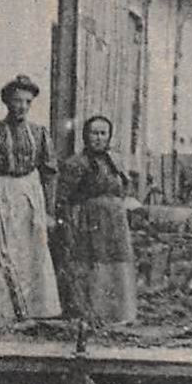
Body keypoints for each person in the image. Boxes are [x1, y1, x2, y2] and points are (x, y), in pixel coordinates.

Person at [0, 76, 61, 319]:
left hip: (30, 193)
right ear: (7, 101)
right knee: (5, 248)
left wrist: (49, 211)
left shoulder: (39, 133)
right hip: (2, 194)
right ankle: (8, 308)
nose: (21, 106)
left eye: (27, 102)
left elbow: (50, 172)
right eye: (16, 100)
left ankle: (35, 307)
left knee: (33, 249)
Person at [55, 115, 138, 323]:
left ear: (109, 136)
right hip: (90, 221)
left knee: (117, 263)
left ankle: (118, 313)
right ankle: (93, 313)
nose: (99, 138)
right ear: (85, 135)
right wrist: (68, 223)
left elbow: (124, 187)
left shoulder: (115, 161)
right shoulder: (76, 163)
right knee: (93, 263)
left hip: (115, 222)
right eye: (94, 133)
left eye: (103, 133)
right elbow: (63, 198)